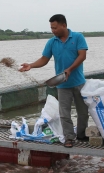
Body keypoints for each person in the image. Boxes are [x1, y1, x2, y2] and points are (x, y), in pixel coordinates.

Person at [19, 14, 89, 148]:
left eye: (55, 28)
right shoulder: (52, 42)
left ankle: (81, 134)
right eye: (51, 28)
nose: (53, 31)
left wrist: (70, 69)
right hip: (62, 83)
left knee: (83, 112)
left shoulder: (78, 37)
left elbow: (82, 56)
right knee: (64, 113)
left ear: (64, 25)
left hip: (79, 82)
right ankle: (69, 137)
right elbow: (44, 59)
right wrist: (31, 65)